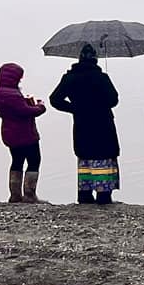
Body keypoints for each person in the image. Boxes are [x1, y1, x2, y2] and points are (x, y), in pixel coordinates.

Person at [49, 45, 121, 206]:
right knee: (102, 157)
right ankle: (103, 196)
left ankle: (85, 195)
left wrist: (74, 109)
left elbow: (54, 99)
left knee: (85, 158)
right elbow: (113, 100)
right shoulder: (102, 77)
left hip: (82, 123)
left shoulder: (70, 77)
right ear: (95, 59)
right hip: (102, 123)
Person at [0, 62, 45, 204]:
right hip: (25, 133)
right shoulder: (13, 94)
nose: (20, 79)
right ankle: (29, 195)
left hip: (9, 133)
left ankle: (15, 195)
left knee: (17, 161)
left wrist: (25, 102)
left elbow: (14, 110)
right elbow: (24, 111)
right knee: (34, 160)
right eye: (19, 76)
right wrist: (40, 106)